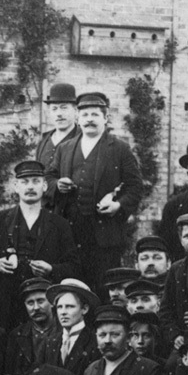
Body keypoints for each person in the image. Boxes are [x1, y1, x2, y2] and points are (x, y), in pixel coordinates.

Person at [0, 158, 78, 330]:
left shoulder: (59, 224)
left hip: (44, 303)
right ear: (16, 187)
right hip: (6, 303)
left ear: (45, 186)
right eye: (24, 182)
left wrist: (51, 269)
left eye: (36, 181)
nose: (31, 187)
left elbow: (74, 265)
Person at [59, 91, 145, 268]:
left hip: (106, 235)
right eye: (85, 115)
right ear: (78, 118)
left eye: (95, 115)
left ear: (105, 118)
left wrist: (118, 205)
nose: (89, 119)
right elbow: (49, 177)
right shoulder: (65, 148)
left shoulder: (120, 148)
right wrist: (57, 184)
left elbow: (135, 186)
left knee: (103, 286)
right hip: (71, 233)